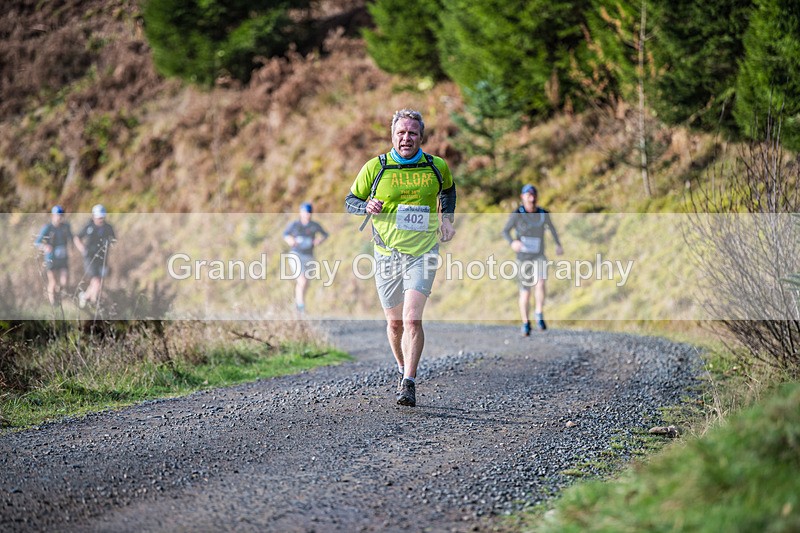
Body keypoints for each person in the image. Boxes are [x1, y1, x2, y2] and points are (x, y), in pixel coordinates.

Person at [345, 109, 456, 407]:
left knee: (411, 318)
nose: (406, 138)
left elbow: (448, 190)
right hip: (386, 254)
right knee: (394, 324)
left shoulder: (436, 166)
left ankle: (409, 381)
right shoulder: (376, 167)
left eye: (412, 133)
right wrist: (367, 206)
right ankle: (400, 367)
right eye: (401, 133)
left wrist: (447, 219)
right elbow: (350, 201)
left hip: (423, 253)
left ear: (421, 136)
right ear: (392, 135)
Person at [502, 184, 563, 335]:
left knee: (540, 282)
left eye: (534, 195)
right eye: (528, 195)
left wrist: (558, 244)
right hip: (523, 258)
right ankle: (525, 322)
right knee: (525, 292)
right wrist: (512, 242)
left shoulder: (543, 213)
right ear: (522, 197)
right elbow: (505, 231)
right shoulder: (517, 214)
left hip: (539, 255)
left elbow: (553, 229)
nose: (532, 198)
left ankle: (539, 314)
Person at [282, 202, 329, 313]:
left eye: (309, 213)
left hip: (309, 256)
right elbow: (285, 234)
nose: (307, 215)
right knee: (302, 280)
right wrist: (290, 240)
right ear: (300, 213)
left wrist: (319, 240)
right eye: (305, 212)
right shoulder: (295, 225)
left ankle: (298, 304)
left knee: (305, 283)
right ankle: (301, 307)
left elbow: (325, 234)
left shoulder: (314, 225)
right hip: (296, 255)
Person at [73, 204, 116, 308]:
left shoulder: (108, 227)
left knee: (99, 282)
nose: (100, 220)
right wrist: (83, 249)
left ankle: (85, 297)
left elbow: (114, 240)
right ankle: (94, 302)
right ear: (94, 216)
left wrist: (109, 243)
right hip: (90, 258)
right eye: (98, 217)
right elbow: (77, 238)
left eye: (102, 217)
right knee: (96, 281)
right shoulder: (88, 226)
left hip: (102, 258)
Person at [35, 205, 73, 305]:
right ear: (53, 216)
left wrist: (71, 248)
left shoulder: (66, 226)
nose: (59, 218)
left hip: (63, 258)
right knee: (53, 281)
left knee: (64, 282)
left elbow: (71, 238)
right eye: (57, 215)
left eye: (61, 215)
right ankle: (53, 303)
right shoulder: (47, 228)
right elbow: (37, 242)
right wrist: (45, 247)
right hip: (50, 258)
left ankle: (60, 298)